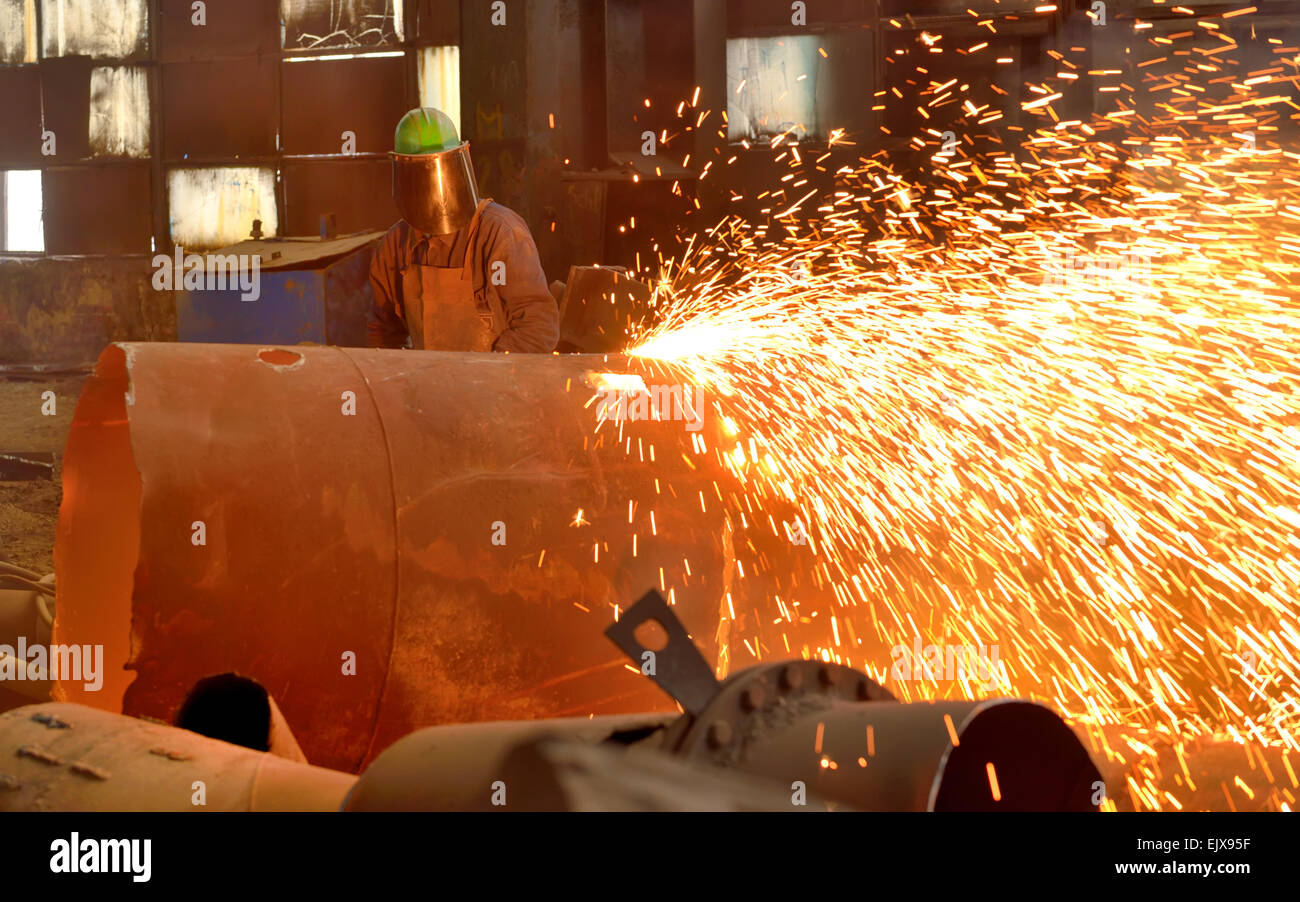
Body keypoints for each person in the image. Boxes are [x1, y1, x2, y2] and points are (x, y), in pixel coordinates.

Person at [367, 108, 559, 352]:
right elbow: (383, 332)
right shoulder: (395, 246)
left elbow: (538, 325)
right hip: (428, 385)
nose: (432, 193)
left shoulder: (500, 233)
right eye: (419, 178)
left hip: (495, 385)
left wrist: (491, 379)